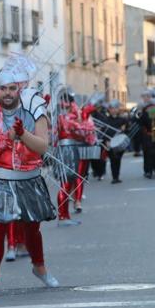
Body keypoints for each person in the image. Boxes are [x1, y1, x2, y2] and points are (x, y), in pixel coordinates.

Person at [0, 57, 59, 298]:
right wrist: (8, 138)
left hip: (28, 178)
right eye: (2, 88)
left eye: (12, 88)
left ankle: (39, 267)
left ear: (19, 88)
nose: (7, 93)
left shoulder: (35, 110)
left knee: (32, 228)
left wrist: (23, 134)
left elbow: (42, 147)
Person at [54, 89, 95, 225]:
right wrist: (82, 119)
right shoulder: (62, 117)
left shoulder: (64, 116)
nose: (65, 104)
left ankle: (65, 215)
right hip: (66, 151)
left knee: (70, 181)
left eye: (67, 101)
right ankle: (62, 216)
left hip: (70, 150)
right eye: (64, 101)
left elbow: (85, 132)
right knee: (65, 184)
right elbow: (82, 131)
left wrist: (83, 118)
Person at [104, 100, 127, 183]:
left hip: (119, 142)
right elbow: (104, 132)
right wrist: (106, 141)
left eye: (115, 108)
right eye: (112, 108)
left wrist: (124, 129)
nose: (113, 110)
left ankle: (117, 176)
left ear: (118, 109)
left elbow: (127, 130)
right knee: (113, 159)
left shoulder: (122, 119)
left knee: (118, 159)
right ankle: (114, 177)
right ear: (109, 109)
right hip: (110, 142)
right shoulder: (106, 119)